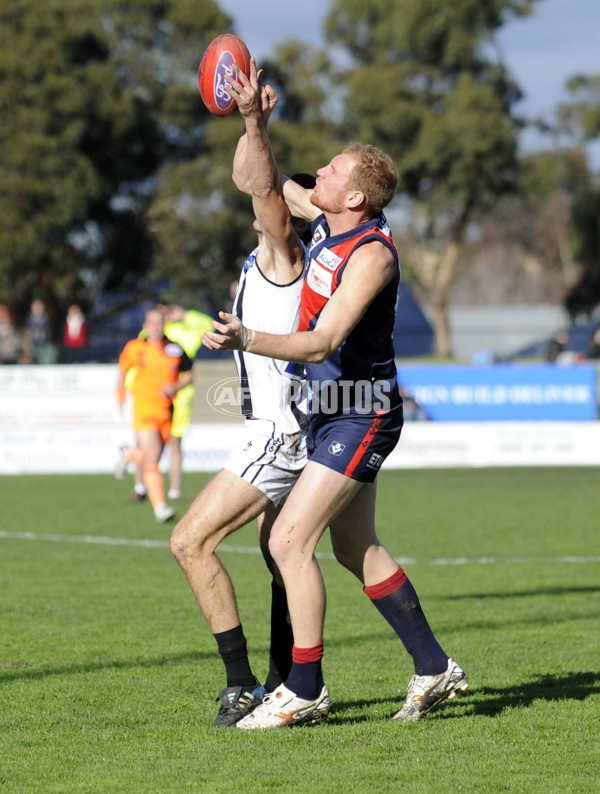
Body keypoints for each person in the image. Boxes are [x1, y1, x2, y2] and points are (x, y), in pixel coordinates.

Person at [202, 59, 468, 729]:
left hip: (362, 412)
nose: (315, 174)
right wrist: (253, 122)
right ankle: (434, 668)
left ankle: (304, 687)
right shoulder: (325, 221)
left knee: (289, 541)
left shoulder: (372, 254)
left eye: (330, 172)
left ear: (357, 197)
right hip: (326, 415)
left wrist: (248, 339)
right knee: (354, 549)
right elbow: (256, 180)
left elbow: (323, 343)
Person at [169, 78, 317, 727]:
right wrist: (247, 126)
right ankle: (292, 678)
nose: (269, 194)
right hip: (284, 429)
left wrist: (254, 121)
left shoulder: (285, 253)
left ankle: (243, 684)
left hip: (277, 436)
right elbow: (249, 181)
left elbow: (258, 184)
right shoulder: (275, 260)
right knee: (280, 552)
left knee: (189, 542)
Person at [116, 307, 193, 523]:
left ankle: (129, 455)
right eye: (152, 322)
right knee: (152, 457)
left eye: (160, 322)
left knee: (153, 458)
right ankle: (160, 508)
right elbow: (122, 370)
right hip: (144, 409)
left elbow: (189, 375)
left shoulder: (175, 349)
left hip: (167, 411)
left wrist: (175, 386)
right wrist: (120, 394)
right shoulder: (135, 348)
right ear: (145, 326)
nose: (156, 327)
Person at [26, 299, 58, 364]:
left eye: (39, 307)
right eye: (36, 307)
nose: (38, 309)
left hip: (44, 343)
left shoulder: (46, 318)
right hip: (32, 344)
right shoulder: (29, 319)